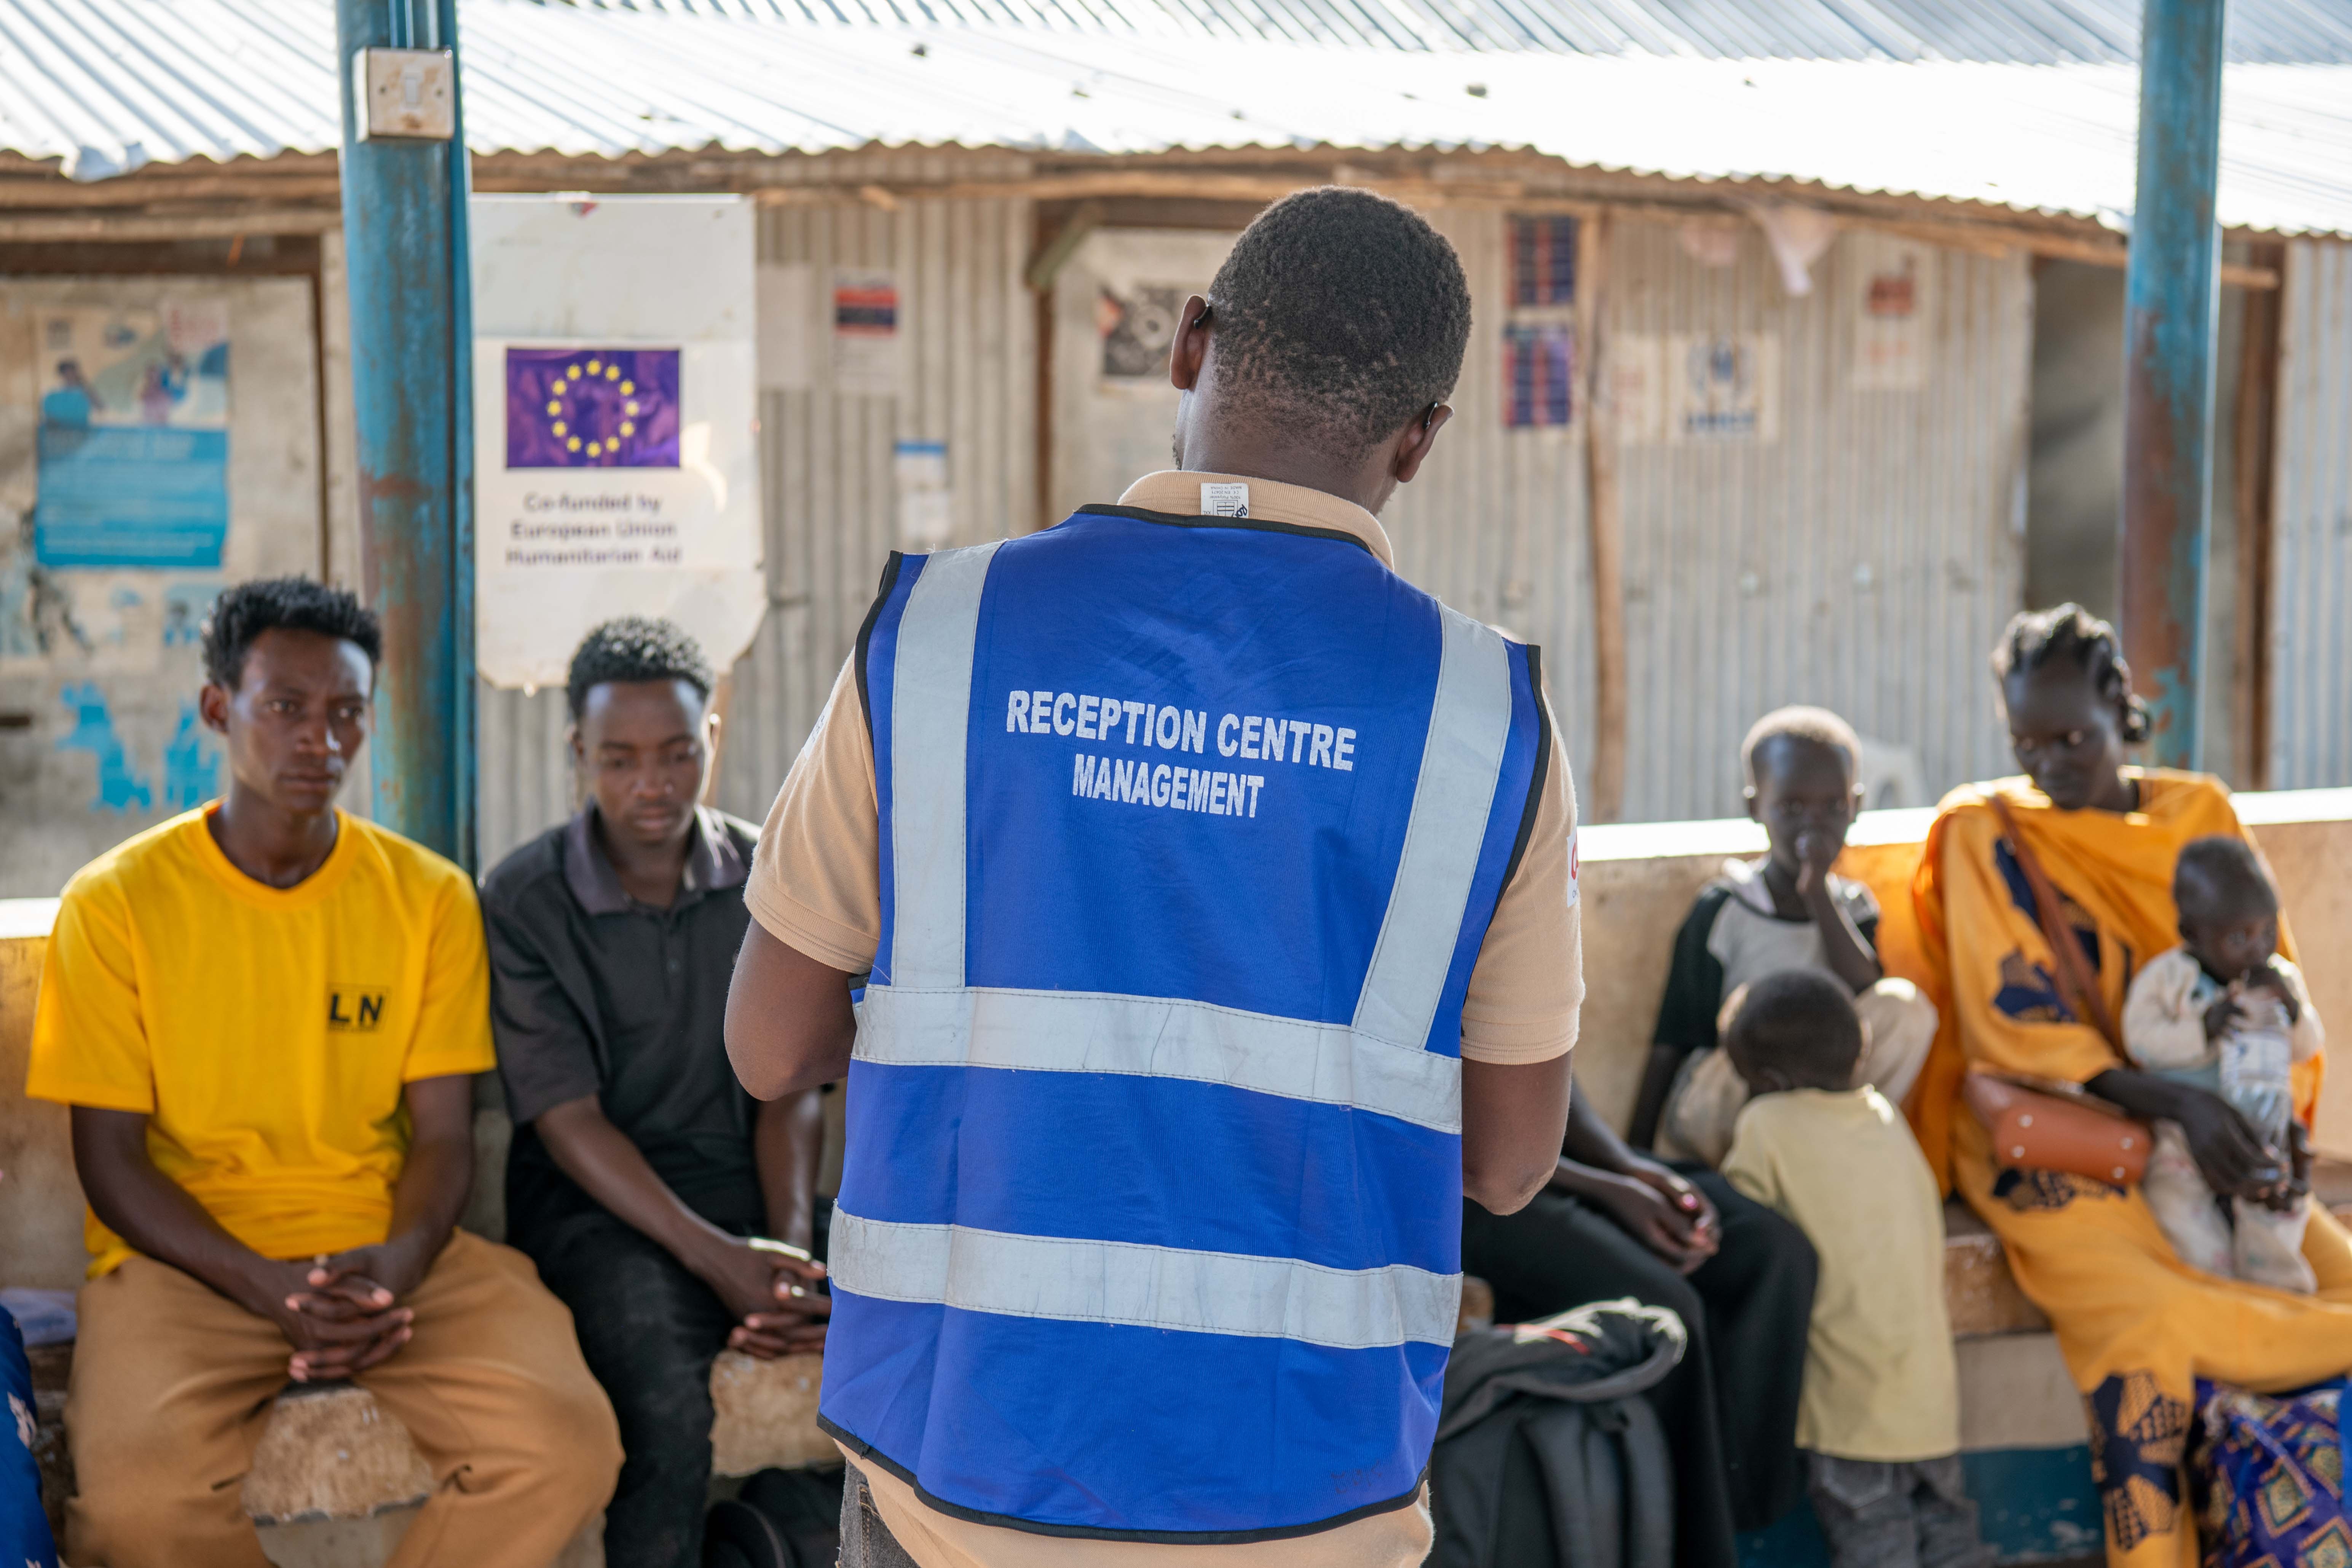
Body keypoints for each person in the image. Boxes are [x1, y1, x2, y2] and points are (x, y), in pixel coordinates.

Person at [724, 187, 1581, 1568]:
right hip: (1305, 1493)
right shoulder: (1486, 720)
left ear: (1188, 343)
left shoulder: (937, 634)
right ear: (1419, 438)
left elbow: (769, 1047)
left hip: (957, 1470)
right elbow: (1508, 1159)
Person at [26, 577, 620, 1568]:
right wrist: (265, 1286)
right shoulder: (117, 901)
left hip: (383, 1255)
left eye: (347, 710)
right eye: (286, 706)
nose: (322, 738)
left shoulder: (426, 897)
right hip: (188, 1265)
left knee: (565, 1442)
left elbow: (439, 1137)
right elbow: (112, 1161)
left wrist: (395, 1264)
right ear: (220, 708)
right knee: (136, 1503)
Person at [1912, 603, 2352, 1568]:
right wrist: (2180, 1105)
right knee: (2144, 1324)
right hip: (2065, 1143)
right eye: (2025, 741)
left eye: (2070, 737)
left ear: (2121, 708)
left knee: (2330, 1261)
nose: (2047, 764)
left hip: (2221, 1131)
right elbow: (2008, 1027)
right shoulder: (1979, 833)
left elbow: (2270, 984)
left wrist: (2253, 1124)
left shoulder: (2200, 815)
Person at [482, 616, 832, 1568]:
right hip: (600, 1215)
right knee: (662, 1404)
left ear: (711, 740)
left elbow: (788, 1084)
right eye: (620, 758)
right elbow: (566, 1123)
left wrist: (788, 1252)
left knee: (914, 1317)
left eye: (679, 753)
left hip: (748, 1199)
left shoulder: (770, 875)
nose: (653, 783)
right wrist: (723, 1262)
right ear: (578, 753)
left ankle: (780, 1536)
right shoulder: (523, 902)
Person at [1461, 1077, 1817, 1568]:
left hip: (1551, 1155)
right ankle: (1696, 1549)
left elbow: (1553, 1074)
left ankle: (1749, 1519)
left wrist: (1630, 1169)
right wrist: (1613, 1191)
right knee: (1664, 1313)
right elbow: (1475, 1154)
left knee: (1773, 1253)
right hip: (1462, 1183)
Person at [1718, 971, 1990, 1568]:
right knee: (1951, 1541)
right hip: (1928, 1405)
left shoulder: (1765, 1124)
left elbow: (1744, 1226)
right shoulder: (1887, 1118)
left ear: (1767, 1081)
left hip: (1849, 1410)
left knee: (1876, 1547)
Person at [1630, 705, 1939, 1166]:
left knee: (1905, 1008)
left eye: (1833, 807)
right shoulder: (1725, 909)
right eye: (1792, 807)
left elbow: (1866, 991)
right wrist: (1634, 1153)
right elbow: (1673, 1040)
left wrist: (1817, 893)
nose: (1812, 826)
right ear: (1755, 807)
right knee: (1747, 1042)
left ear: (1856, 807)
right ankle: (1767, 1162)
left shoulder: (1853, 906)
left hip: (1822, 1096)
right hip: (1733, 1103)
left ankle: (1835, 1153)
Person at [2122, 836, 2323, 1294]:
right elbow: (2141, 1042)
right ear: (2192, 933)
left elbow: (2306, 1047)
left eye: (2266, 932)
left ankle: (2278, 1293)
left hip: (2262, 1124)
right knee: (2179, 1209)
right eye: (2238, 937)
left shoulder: (2278, 978)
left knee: (2276, 1209)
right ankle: (2212, 1291)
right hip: (2183, 1133)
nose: (2257, 949)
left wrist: (2292, 1010)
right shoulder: (2167, 980)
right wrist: (2203, 1029)